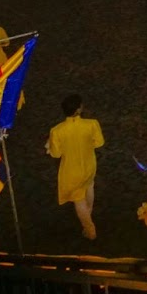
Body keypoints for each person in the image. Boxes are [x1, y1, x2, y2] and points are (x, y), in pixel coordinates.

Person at [46, 94, 104, 240]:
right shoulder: (92, 124)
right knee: (89, 187)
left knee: (78, 199)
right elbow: (99, 143)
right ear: (79, 109)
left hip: (71, 171)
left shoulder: (57, 131)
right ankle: (87, 215)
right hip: (89, 165)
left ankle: (90, 229)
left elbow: (56, 154)